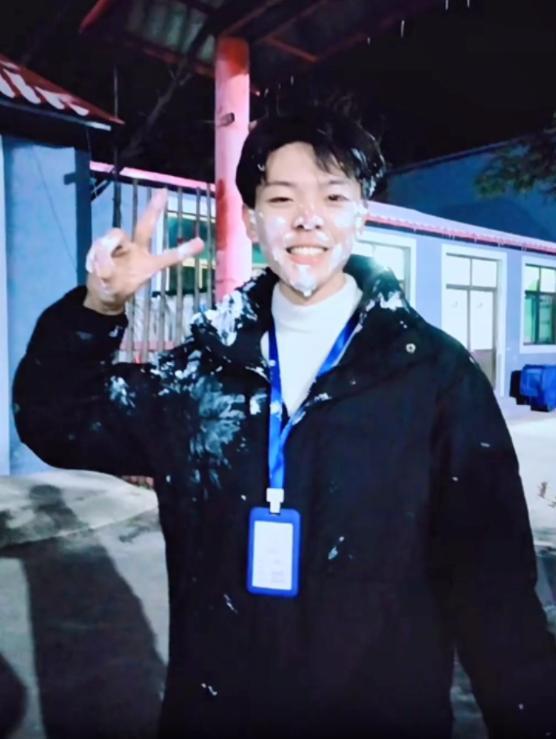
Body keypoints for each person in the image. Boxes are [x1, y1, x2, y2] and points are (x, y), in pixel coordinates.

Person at [13, 106, 556, 739]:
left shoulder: (433, 374)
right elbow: (56, 420)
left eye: (333, 196)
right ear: (251, 219)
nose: (307, 217)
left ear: (362, 215)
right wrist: (98, 308)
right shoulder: (200, 373)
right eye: (281, 197)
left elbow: (493, 585)